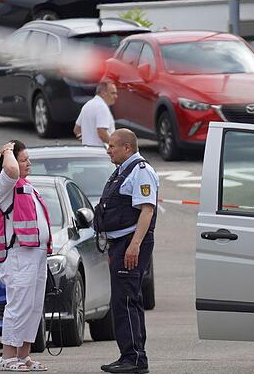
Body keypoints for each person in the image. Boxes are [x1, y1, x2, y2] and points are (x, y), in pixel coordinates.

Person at [96, 129, 159, 374]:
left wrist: (134, 245)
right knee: (124, 300)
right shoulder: (122, 171)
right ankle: (130, 356)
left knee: (125, 301)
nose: (108, 150)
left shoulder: (141, 172)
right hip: (120, 244)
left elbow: (147, 210)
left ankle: (134, 359)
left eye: (112, 146)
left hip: (130, 243)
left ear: (127, 148)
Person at [0, 140, 52, 372]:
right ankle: (7, 357)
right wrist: (7, 150)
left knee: (33, 306)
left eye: (28, 159)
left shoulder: (27, 185)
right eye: (23, 160)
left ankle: (23, 355)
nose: (28, 163)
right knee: (19, 304)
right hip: (19, 253)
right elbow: (10, 169)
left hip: (35, 253)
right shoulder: (4, 183)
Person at [75, 81, 117, 146]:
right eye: (113, 93)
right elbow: (102, 133)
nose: (116, 96)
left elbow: (77, 130)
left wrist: (86, 142)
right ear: (103, 93)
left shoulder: (87, 104)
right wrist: (115, 146)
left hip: (88, 149)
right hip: (101, 150)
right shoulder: (102, 107)